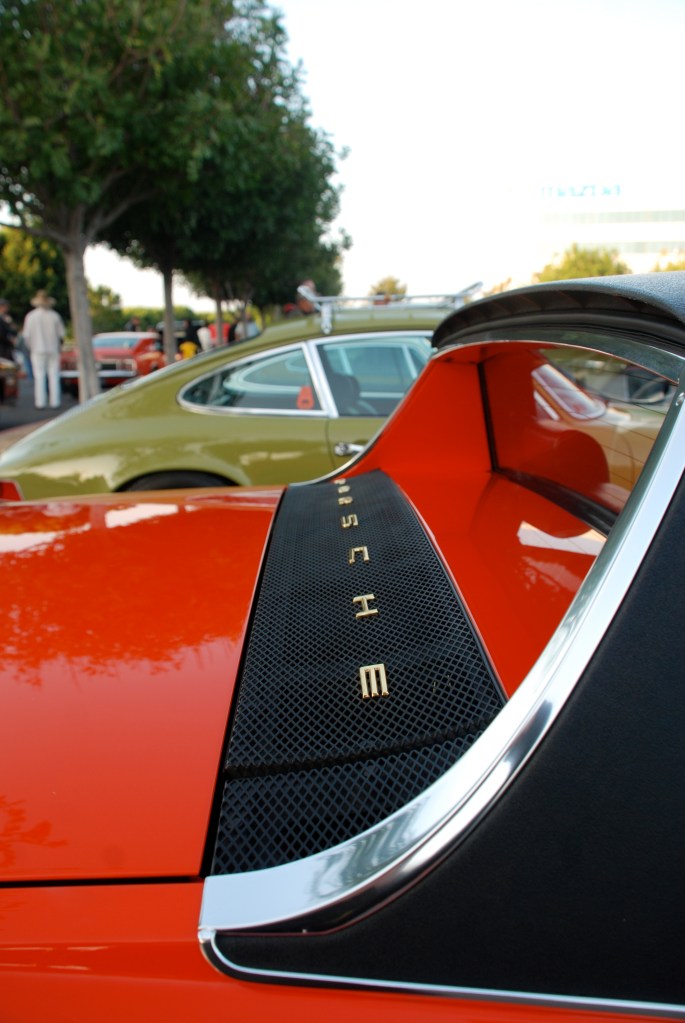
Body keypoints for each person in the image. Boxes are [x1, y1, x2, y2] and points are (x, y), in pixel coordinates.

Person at [22, 289, 65, 409]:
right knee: (54, 375)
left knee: (39, 376)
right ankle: (55, 401)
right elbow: (61, 335)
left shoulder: (31, 317)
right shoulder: (55, 316)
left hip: (37, 349)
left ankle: (40, 402)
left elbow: (27, 336)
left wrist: (31, 347)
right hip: (53, 349)